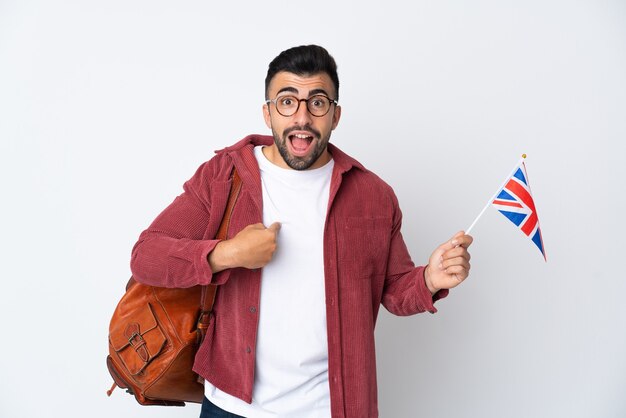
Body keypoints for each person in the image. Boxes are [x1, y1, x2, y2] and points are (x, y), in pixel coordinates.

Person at [130, 45, 473, 418]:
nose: (302, 117)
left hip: (331, 409)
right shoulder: (223, 176)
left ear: (336, 115)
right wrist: (227, 254)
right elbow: (146, 256)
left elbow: (394, 291)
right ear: (268, 113)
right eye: (287, 101)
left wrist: (429, 278)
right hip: (231, 406)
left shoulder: (374, 196)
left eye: (318, 102)